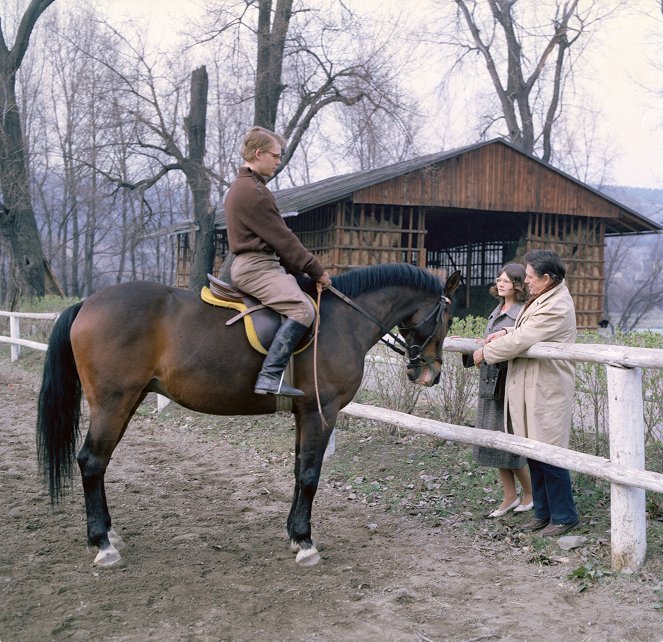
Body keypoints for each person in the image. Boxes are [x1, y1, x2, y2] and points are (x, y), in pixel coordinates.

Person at [473, 249, 579, 537]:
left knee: (550, 453)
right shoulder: (544, 297)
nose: (526, 282)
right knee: (534, 452)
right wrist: (504, 334)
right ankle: (543, 513)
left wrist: (486, 352)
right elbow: (524, 331)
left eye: (531, 277)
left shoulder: (557, 305)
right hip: (533, 386)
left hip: (546, 387)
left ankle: (564, 516)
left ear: (547, 278)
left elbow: (525, 337)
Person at [225, 126, 332, 397]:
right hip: (257, 267)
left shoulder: (247, 187)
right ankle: (270, 376)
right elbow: (283, 239)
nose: (278, 161)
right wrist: (316, 271)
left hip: (261, 264)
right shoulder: (253, 192)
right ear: (258, 154)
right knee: (303, 311)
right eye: (275, 155)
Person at [466, 264, 533, 518]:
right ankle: (509, 495)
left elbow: (517, 344)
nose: (501, 284)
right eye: (499, 280)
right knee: (492, 441)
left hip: (508, 381)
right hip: (489, 380)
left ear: (517, 284)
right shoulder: (497, 310)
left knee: (508, 441)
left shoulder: (521, 313)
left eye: (506, 280)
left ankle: (529, 492)